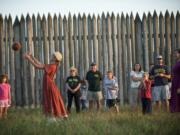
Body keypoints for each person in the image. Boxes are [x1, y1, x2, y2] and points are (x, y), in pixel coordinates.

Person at [23, 51, 68, 120]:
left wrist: (28, 58)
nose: (51, 55)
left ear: (55, 58)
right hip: (49, 85)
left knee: (51, 100)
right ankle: (57, 116)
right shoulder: (51, 65)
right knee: (52, 100)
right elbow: (40, 64)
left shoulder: (52, 66)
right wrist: (32, 56)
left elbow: (37, 66)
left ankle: (54, 117)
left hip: (49, 86)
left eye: (53, 55)